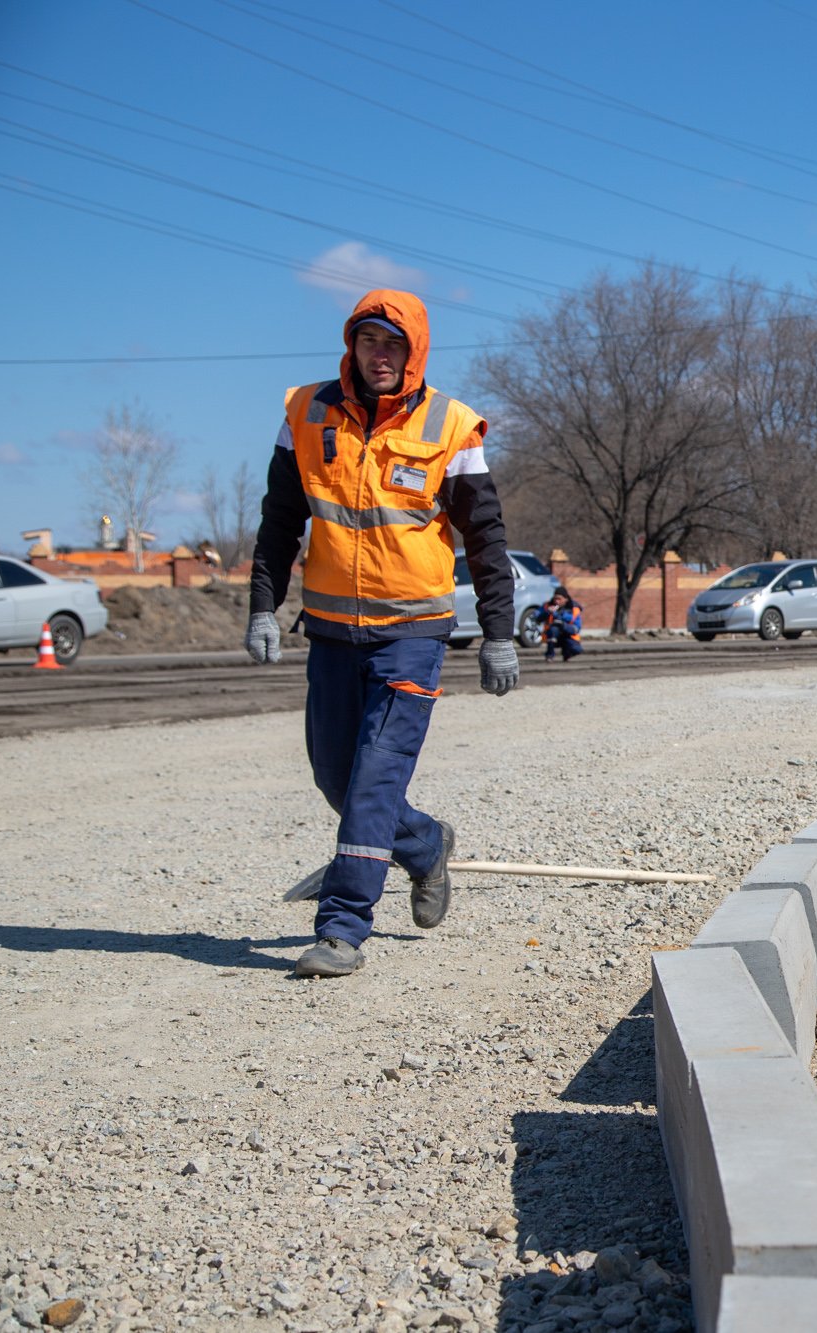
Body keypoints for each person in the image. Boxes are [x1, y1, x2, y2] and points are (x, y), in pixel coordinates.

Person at [246, 289, 519, 979]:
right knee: (337, 777)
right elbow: (281, 520)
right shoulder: (305, 413)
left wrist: (498, 632)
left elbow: (485, 539)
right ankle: (425, 845)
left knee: (373, 783)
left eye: (394, 344)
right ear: (352, 346)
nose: (381, 355)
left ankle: (342, 928)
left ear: (415, 351)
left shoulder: (451, 425)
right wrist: (261, 605)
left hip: (414, 636)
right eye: (370, 341)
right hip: (333, 633)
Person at [541, 590, 583, 662]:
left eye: (559, 599)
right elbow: (537, 617)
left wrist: (561, 623)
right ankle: (549, 655)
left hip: (568, 635)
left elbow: (576, 628)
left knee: (577, 649)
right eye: (555, 599)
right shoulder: (548, 605)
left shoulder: (574, 608)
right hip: (553, 635)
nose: (557, 601)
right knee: (553, 629)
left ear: (566, 599)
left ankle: (567, 654)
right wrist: (547, 612)